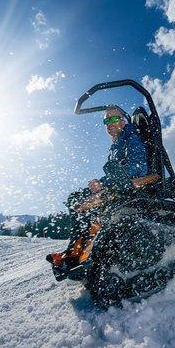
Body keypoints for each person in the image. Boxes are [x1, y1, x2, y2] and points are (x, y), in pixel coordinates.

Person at [48, 107, 150, 273]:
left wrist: (104, 184)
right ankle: (76, 251)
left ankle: (77, 254)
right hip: (119, 186)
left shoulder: (131, 137)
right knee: (77, 199)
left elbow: (139, 166)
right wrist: (99, 183)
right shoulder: (116, 145)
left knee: (78, 200)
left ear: (123, 120)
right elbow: (117, 171)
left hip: (130, 187)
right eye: (106, 121)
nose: (109, 124)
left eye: (113, 119)